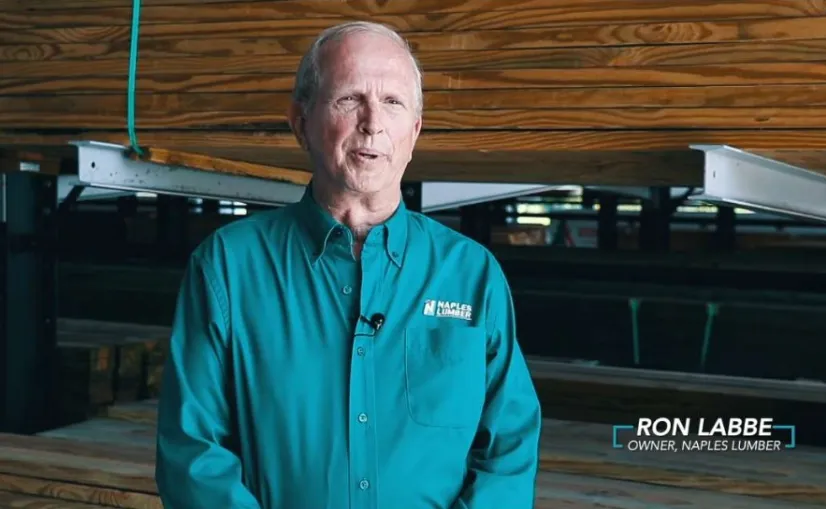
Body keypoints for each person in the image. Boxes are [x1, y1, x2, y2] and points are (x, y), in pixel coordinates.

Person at [155, 20, 542, 509]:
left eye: (393, 103)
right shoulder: (229, 268)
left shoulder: (471, 274)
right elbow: (191, 454)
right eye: (348, 99)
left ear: (415, 130)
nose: (372, 122)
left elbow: (508, 449)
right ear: (301, 121)